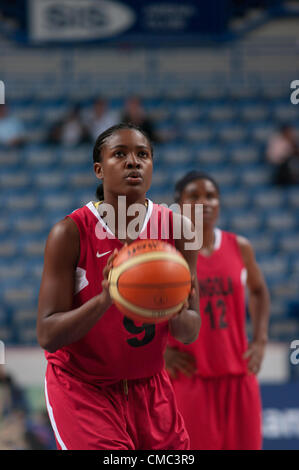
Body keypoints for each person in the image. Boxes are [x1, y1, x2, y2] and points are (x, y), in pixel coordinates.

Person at [37, 123, 201, 450]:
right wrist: (104, 299)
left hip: (150, 389)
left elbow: (189, 330)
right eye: (120, 154)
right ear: (99, 169)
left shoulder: (180, 229)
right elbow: (47, 334)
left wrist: (177, 311)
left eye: (143, 154)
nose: (133, 162)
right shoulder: (69, 233)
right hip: (84, 389)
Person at [165, 170, 270, 450]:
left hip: (238, 375)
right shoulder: (166, 251)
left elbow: (259, 291)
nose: (205, 203)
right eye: (194, 196)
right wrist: (160, 351)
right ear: (179, 205)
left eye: (211, 196)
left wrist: (260, 341)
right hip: (190, 377)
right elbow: (137, 310)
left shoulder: (240, 246)